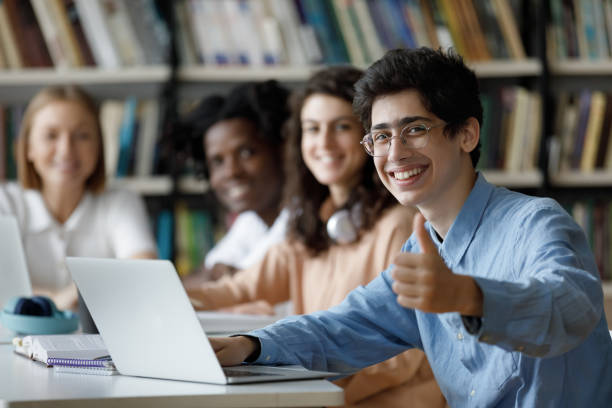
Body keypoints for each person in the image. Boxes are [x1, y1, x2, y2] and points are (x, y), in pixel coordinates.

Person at [209, 48, 612, 407]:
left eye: (415, 129)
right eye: (381, 136)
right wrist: (248, 345)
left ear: (467, 134)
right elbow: (343, 326)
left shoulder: (535, 222)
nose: (395, 154)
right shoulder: (420, 250)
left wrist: (472, 297)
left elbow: (572, 309)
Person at [187, 67, 445, 407]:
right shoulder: (311, 223)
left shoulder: (400, 224)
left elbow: (402, 356)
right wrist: (168, 301)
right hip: (327, 392)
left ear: (370, 136)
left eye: (340, 127)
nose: (323, 144)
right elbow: (238, 289)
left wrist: (311, 386)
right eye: (312, 129)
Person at [0, 86, 156, 310]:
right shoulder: (5, 201)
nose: (66, 150)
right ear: (27, 149)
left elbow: (145, 275)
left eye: (82, 136)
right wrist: (59, 299)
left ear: (99, 149)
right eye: (51, 136)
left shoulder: (121, 201)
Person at [181, 81, 290, 283]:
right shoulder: (251, 222)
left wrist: (223, 277)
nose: (231, 172)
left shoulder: (304, 219)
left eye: (246, 153)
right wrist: (217, 275)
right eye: (217, 161)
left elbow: (243, 286)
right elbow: (197, 279)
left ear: (281, 152)